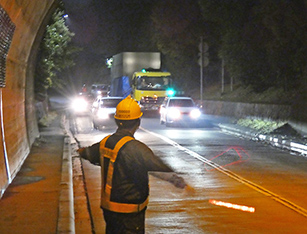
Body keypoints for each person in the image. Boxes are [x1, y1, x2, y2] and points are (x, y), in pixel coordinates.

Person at [78, 95, 189, 233]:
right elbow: (157, 167)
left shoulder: (104, 143)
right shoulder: (137, 148)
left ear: (117, 120)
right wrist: (176, 180)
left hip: (108, 209)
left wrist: (80, 151)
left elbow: (88, 154)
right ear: (138, 122)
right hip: (130, 212)